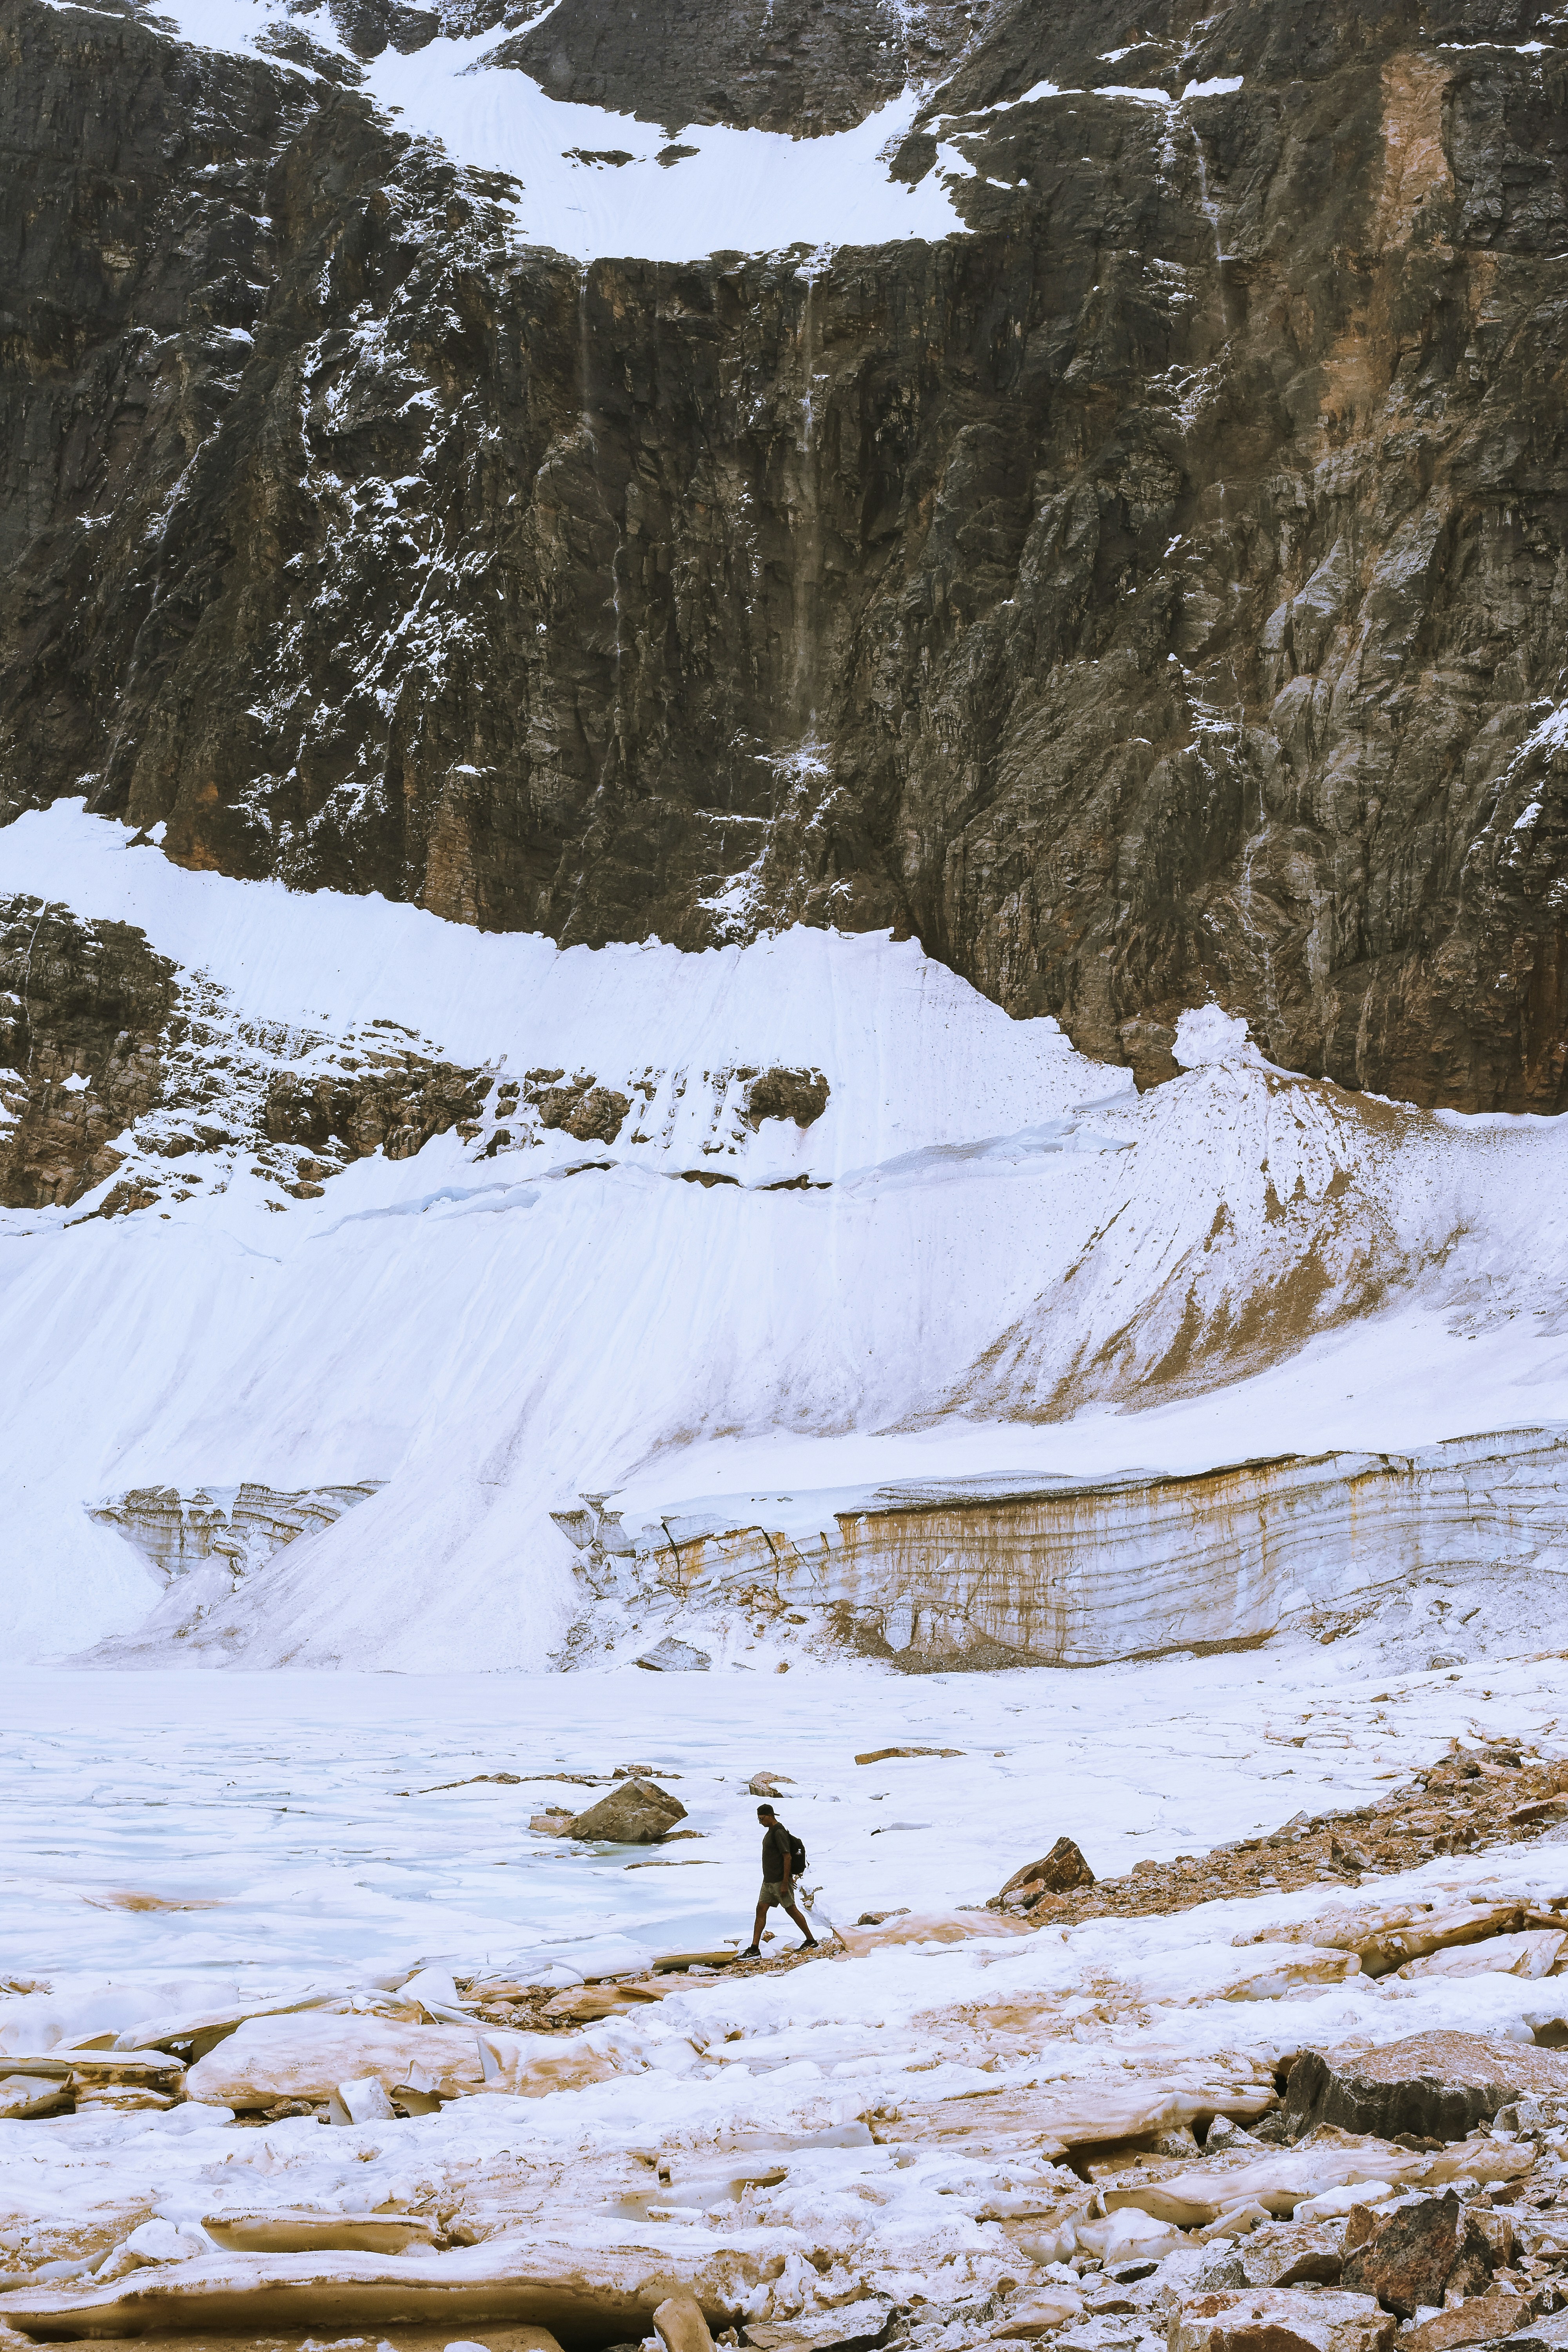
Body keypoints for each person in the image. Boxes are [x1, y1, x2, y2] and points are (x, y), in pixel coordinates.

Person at [742, 1802, 818, 1957]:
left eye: (762, 1818)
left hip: (779, 1881)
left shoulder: (779, 1833)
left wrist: (785, 1882)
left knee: (791, 1909)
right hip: (768, 1881)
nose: (760, 1821)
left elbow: (788, 1857)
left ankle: (811, 1940)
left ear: (770, 1816)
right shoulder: (771, 1831)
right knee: (761, 1909)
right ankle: (754, 1947)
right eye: (759, 1819)